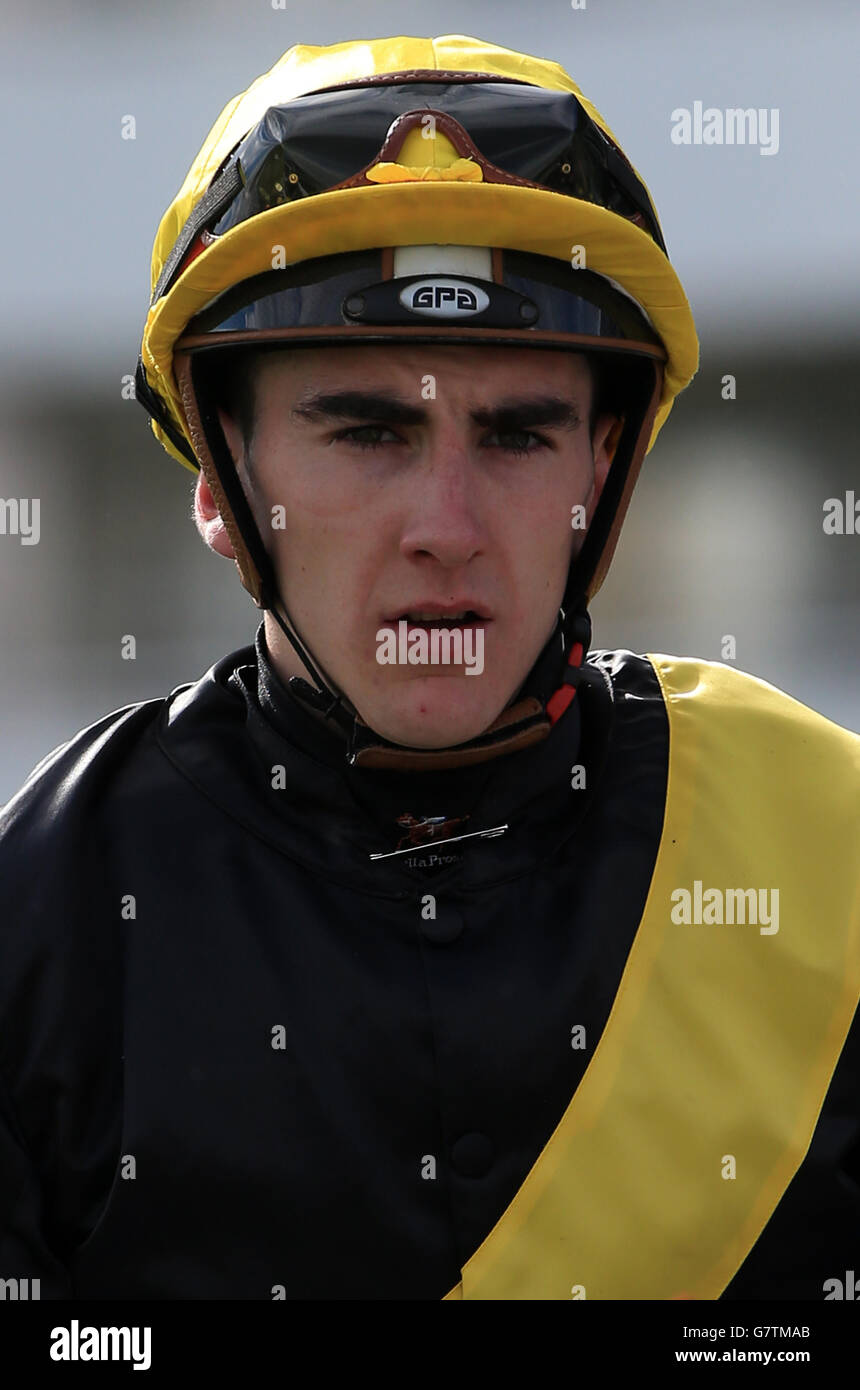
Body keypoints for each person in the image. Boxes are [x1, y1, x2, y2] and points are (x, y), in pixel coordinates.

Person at [1, 33, 857, 1303]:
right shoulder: (44, 915)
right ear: (223, 484)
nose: (445, 525)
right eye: (365, 430)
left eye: (517, 434)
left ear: (599, 476)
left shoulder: (826, 842)